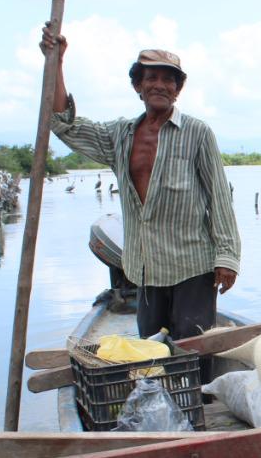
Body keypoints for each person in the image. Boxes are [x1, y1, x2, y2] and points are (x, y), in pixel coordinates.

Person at [39, 23, 241, 340]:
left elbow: (219, 198)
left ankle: (198, 392)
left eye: (168, 79)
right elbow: (66, 125)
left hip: (192, 266)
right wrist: (57, 62)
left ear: (178, 89)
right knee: (151, 352)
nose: (160, 85)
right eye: (151, 78)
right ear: (138, 85)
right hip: (145, 270)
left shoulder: (197, 133)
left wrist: (227, 258)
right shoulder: (120, 135)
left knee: (193, 350)